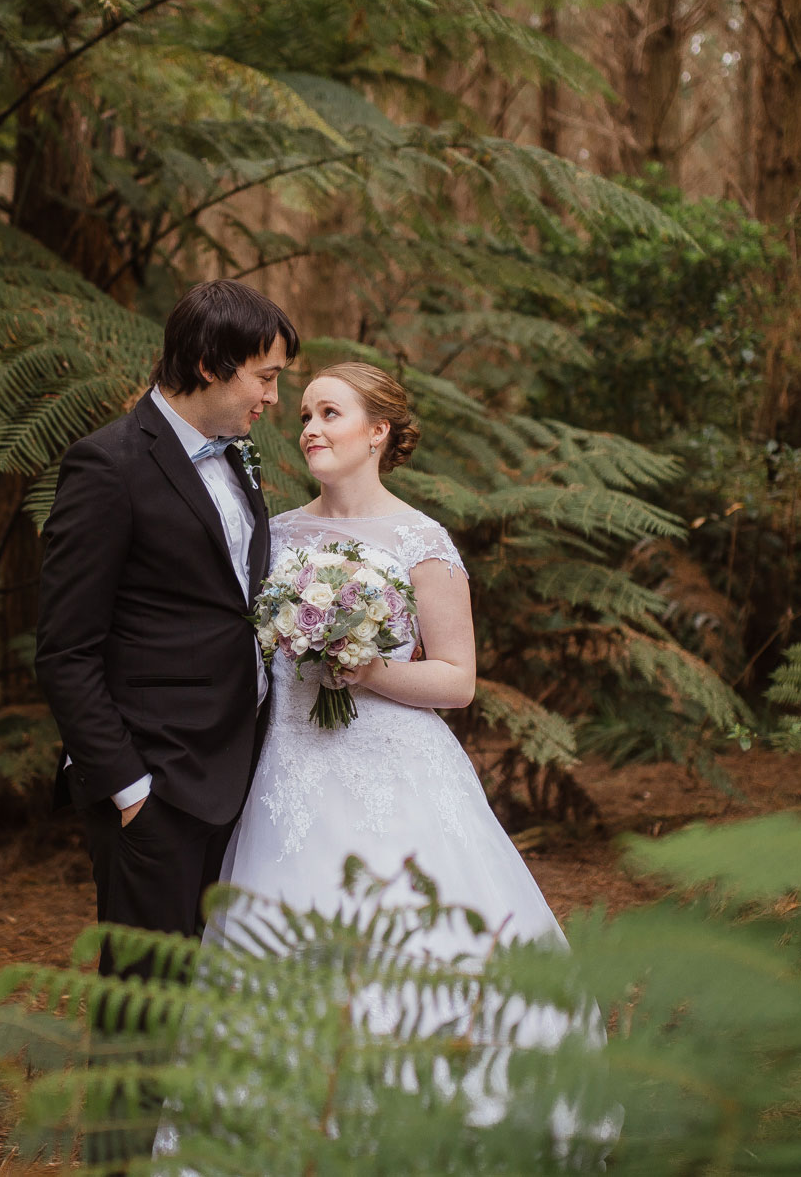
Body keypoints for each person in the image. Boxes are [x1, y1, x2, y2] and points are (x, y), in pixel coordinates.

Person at [212, 361, 567, 1006]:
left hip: (393, 769)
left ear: (377, 432)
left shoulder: (420, 541)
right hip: (285, 768)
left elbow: (457, 680)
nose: (310, 431)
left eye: (329, 414)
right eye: (305, 418)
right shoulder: (278, 534)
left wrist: (370, 669)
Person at [35, 276, 296, 971]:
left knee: (199, 995)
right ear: (212, 364)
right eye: (264, 377)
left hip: (234, 770)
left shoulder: (235, 455)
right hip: (157, 786)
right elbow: (65, 650)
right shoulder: (107, 465)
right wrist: (130, 789)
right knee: (144, 1009)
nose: (273, 398)